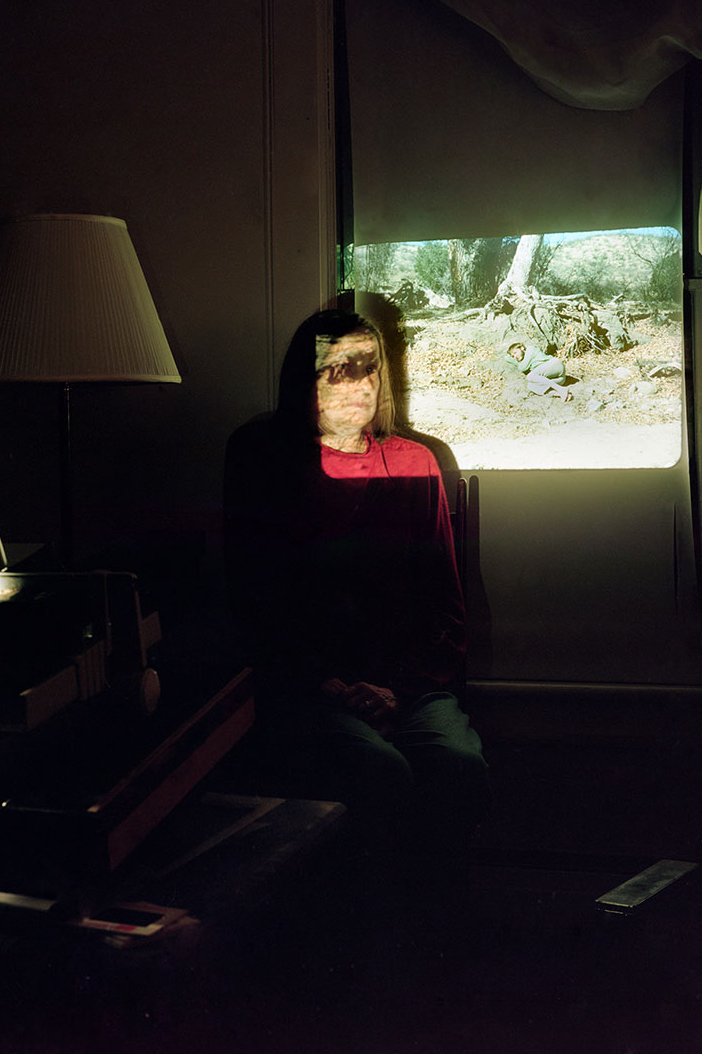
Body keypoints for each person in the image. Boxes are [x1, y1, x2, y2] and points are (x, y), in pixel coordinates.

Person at [224, 309, 489, 896]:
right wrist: (326, 684)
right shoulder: (267, 464)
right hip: (309, 688)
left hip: (409, 686)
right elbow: (253, 597)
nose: (357, 384)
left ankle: (435, 929)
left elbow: (447, 603)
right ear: (307, 379)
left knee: (458, 765)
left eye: (368, 369)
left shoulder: (416, 463)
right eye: (336, 369)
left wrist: (399, 687)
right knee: (378, 769)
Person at [505, 340, 572, 400]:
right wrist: (513, 357)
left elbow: (522, 368)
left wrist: (517, 362)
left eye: (515, 352)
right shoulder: (523, 360)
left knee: (530, 376)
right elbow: (506, 358)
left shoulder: (530, 350)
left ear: (522, 348)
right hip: (560, 379)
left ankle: (561, 389)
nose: (515, 357)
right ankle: (560, 393)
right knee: (531, 386)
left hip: (554, 364)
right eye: (513, 356)